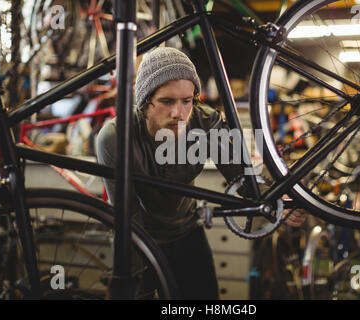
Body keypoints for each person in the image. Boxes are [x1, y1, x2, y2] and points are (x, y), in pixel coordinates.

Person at [96, 47, 308, 299]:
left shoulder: (204, 123)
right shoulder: (115, 138)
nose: (179, 113)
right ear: (144, 101)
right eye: (167, 101)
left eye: (186, 101)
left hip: (188, 232)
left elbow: (242, 175)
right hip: (141, 238)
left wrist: (277, 202)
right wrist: (135, 282)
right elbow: (127, 217)